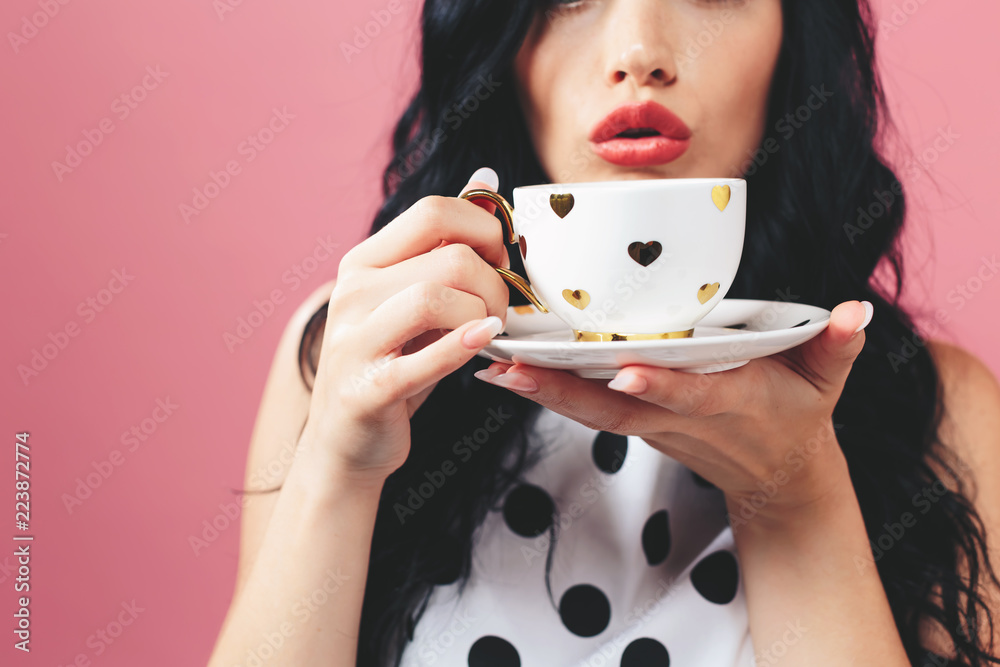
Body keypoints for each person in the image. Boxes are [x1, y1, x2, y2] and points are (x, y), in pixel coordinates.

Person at [208, 0, 1000, 665]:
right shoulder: (357, 357)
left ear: (797, 40)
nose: (639, 53)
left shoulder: (942, 409)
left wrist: (796, 494)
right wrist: (336, 472)